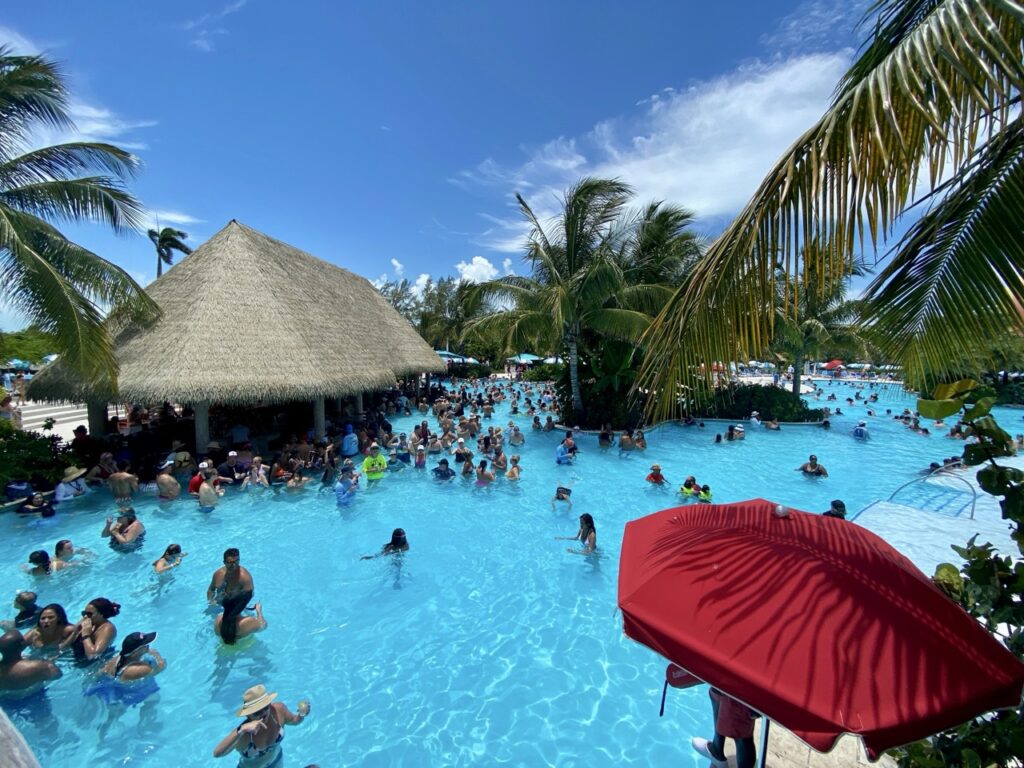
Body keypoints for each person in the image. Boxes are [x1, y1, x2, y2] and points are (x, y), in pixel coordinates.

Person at [212, 684, 310, 764]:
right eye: (257, 712)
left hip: (276, 761)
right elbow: (217, 754)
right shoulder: (243, 734)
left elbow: (294, 721)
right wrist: (241, 730)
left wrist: (302, 714)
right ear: (248, 715)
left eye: (265, 707)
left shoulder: (278, 711)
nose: (264, 713)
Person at [692, 688, 758, 768]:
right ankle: (716, 750)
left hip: (740, 689)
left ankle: (717, 751)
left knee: (741, 731)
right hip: (729, 683)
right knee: (716, 694)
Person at [0, 630, 61, 694]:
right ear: (22, 645)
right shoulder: (40, 666)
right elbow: (57, 674)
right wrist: (49, 661)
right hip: (34, 698)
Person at [64, 597, 120, 662]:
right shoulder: (88, 623)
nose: (85, 616)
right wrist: (75, 632)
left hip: (95, 664)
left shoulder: (107, 629)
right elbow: (62, 648)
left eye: (89, 614)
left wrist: (86, 635)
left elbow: (94, 656)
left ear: (101, 614)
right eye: (84, 613)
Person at [100, 631, 165, 682]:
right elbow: (160, 669)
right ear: (134, 653)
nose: (148, 647)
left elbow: (102, 671)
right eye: (146, 645)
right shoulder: (142, 669)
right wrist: (157, 656)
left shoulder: (117, 658)